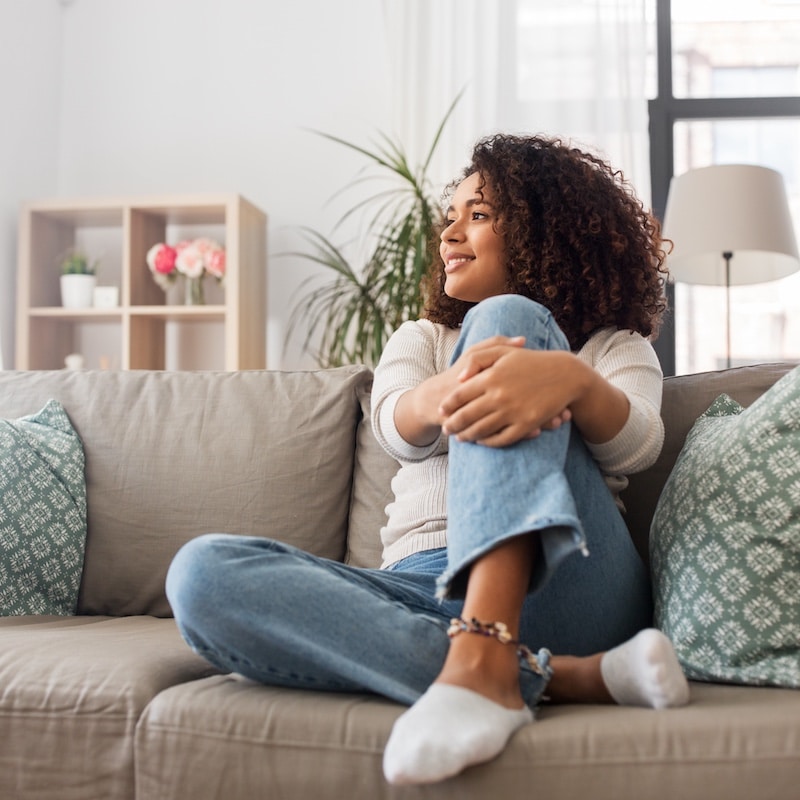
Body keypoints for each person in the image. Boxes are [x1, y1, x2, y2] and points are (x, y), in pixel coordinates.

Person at [166, 132, 690, 787]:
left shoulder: (615, 346)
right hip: (424, 590)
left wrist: (569, 380)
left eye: (479, 215)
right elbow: (396, 426)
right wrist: (453, 386)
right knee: (201, 576)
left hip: (569, 580)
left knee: (509, 318)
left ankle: (486, 657)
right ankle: (543, 675)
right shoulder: (421, 339)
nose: (450, 234)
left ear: (546, 231)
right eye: (450, 217)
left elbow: (638, 443)